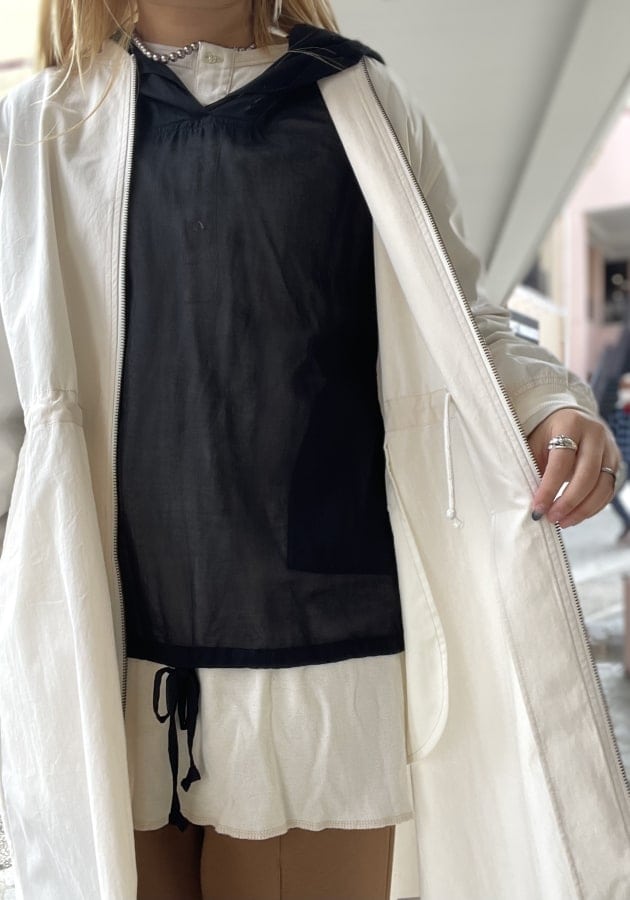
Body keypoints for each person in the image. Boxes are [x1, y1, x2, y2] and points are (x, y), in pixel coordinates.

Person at [0, 1, 627, 898]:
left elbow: (459, 319)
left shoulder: (357, 100)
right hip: (100, 656)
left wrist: (551, 404)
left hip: (323, 659)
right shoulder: (36, 130)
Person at [606, 372, 630, 541]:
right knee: (611, 494)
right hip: (623, 463)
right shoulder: (616, 414)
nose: (626, 391)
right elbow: (610, 437)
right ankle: (628, 523)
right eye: (624, 388)